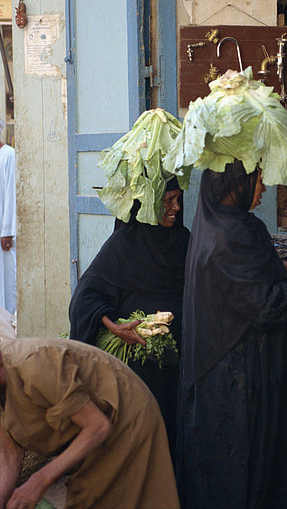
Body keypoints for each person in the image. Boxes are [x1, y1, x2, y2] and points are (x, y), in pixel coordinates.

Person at [177, 160, 287, 509]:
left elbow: (239, 286)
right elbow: (267, 306)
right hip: (242, 383)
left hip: (217, 380)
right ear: (237, 183)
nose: (264, 188)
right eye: (258, 180)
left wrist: (280, 269)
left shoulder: (211, 225)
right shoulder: (238, 233)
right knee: (248, 476)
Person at [69, 178, 190, 456]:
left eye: (178, 199)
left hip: (178, 361)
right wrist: (114, 326)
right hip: (141, 363)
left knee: (176, 435)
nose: (176, 207)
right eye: (167, 201)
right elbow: (86, 297)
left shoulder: (184, 240)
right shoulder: (125, 243)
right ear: (148, 203)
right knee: (143, 438)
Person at [0, 337, 180, 509]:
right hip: (90, 433)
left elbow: (98, 425)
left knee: (117, 497)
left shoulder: (32, 365)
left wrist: (40, 479)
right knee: (85, 497)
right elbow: (10, 455)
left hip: (124, 412)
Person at [0, 120, 16, 316]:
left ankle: (9, 320)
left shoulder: (9, 155)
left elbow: (11, 194)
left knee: (8, 280)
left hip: (4, 232)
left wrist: (7, 231)